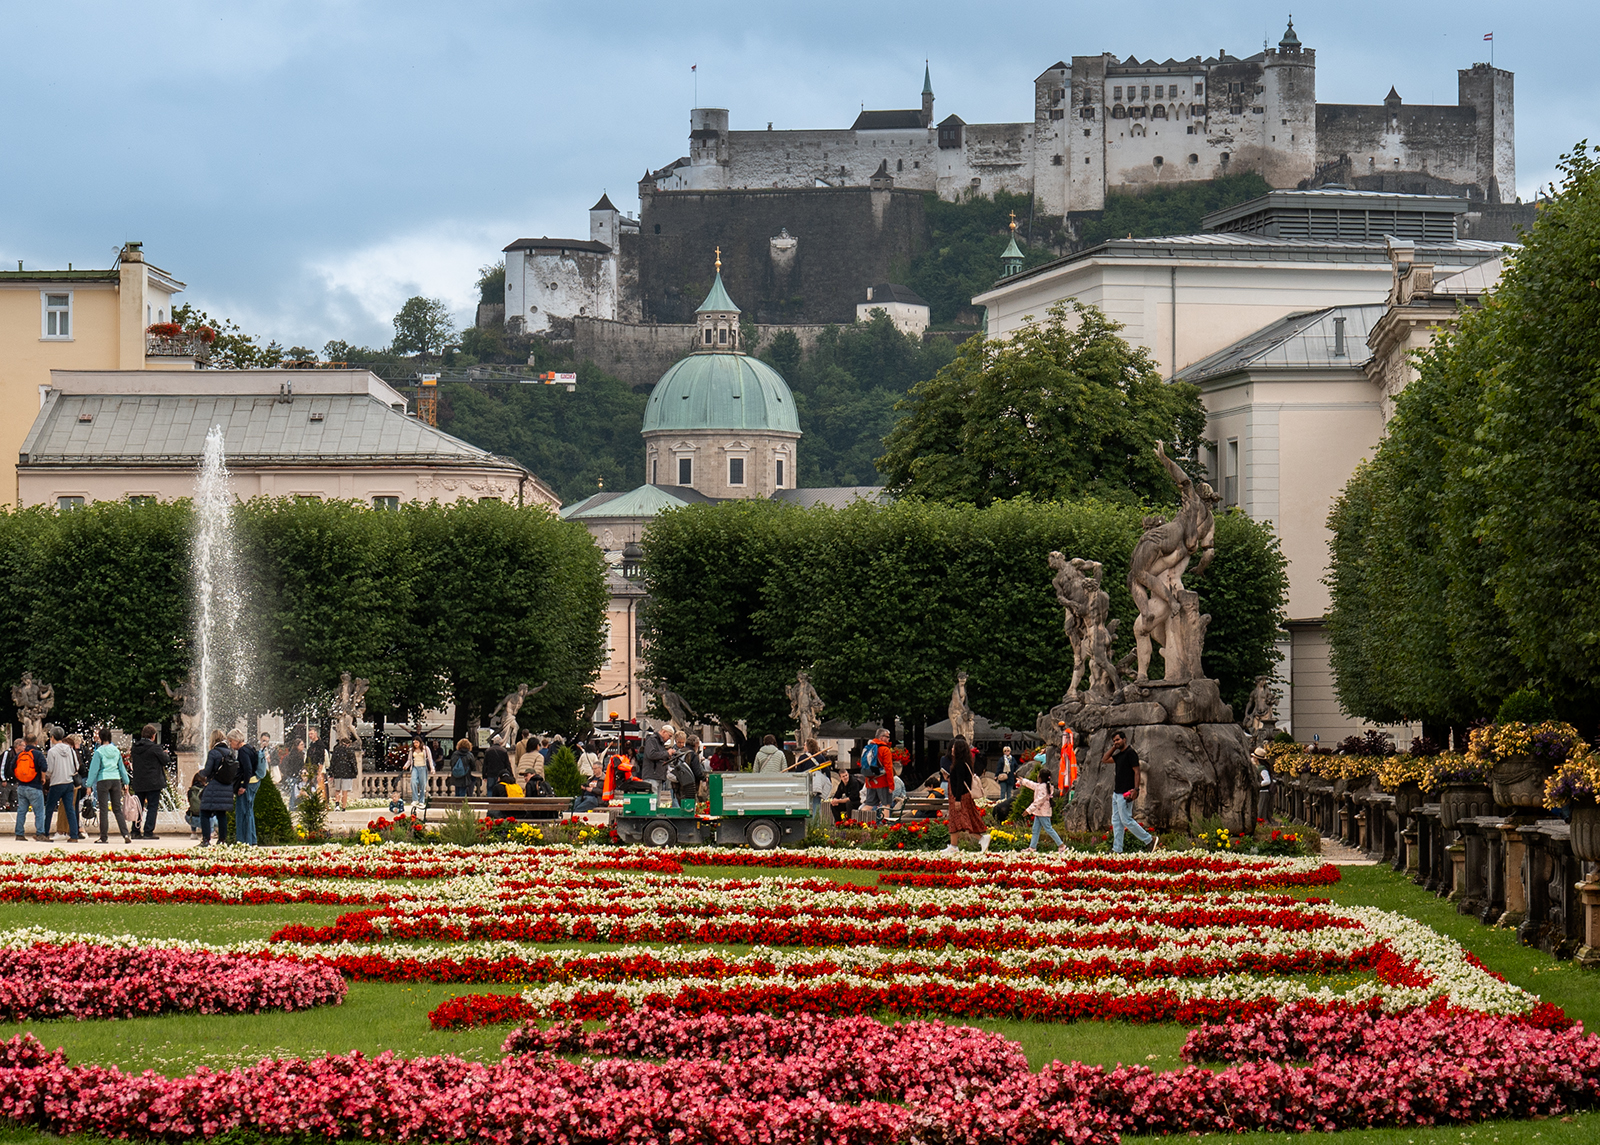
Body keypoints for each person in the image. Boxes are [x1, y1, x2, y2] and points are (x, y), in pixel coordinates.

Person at [1104, 731, 1159, 853]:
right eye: (1114, 741)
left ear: (1124, 739)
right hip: (1117, 792)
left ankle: (1149, 839)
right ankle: (1117, 849)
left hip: (1126, 793)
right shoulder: (1119, 755)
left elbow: (1137, 772)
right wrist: (1114, 747)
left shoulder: (1130, 753)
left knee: (1126, 820)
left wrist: (1136, 789)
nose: (1116, 742)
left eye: (1118, 740)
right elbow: (1105, 759)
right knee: (1116, 821)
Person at [943, 735, 992, 854]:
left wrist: (957, 799)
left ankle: (981, 838)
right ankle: (953, 845)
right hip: (961, 796)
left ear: (958, 750)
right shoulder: (965, 763)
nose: (952, 749)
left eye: (954, 747)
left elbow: (960, 783)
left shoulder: (959, 764)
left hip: (959, 796)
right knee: (957, 821)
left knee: (963, 821)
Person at [86, 727, 132, 845]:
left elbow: (94, 770)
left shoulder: (99, 752)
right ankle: (126, 834)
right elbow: (121, 768)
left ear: (101, 738)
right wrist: (126, 782)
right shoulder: (116, 750)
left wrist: (89, 785)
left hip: (103, 780)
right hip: (116, 780)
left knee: (103, 809)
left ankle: (104, 837)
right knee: (117, 809)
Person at [39, 726, 81, 844]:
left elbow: (50, 769)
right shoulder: (70, 750)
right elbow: (76, 766)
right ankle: (74, 835)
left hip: (56, 783)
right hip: (69, 783)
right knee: (70, 809)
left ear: (52, 737)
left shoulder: (52, 751)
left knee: (49, 809)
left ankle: (46, 833)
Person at [129, 724, 171, 840]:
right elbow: (165, 761)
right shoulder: (155, 748)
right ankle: (148, 831)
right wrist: (165, 753)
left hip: (139, 781)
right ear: (153, 736)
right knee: (152, 806)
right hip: (153, 782)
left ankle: (135, 831)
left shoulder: (135, 747)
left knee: (138, 807)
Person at [198, 730, 238, 846]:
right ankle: (222, 840)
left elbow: (207, 771)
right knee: (221, 814)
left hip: (214, 786)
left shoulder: (213, 753)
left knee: (204, 812)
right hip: (227, 787)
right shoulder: (231, 752)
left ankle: (206, 840)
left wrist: (200, 772)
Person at [1017, 766, 1065, 852]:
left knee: (1048, 829)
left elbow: (1039, 801)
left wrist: (1029, 810)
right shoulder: (1042, 786)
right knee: (1035, 829)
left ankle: (1061, 845)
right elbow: (1032, 784)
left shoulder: (1043, 788)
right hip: (1039, 812)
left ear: (1040, 778)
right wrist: (1023, 781)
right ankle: (1032, 847)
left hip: (1044, 813)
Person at [8, 736, 47, 841]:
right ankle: (40, 833)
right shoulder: (38, 754)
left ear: (25, 742)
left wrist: (20, 776)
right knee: (39, 812)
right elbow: (44, 767)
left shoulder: (20, 754)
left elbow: (12, 766)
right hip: (35, 786)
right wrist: (43, 778)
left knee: (21, 811)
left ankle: (19, 833)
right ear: (36, 742)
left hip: (21, 786)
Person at [858, 728, 895, 825]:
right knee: (886, 805)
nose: (889, 739)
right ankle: (885, 826)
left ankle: (859, 822)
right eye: (887, 737)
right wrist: (891, 785)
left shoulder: (868, 747)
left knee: (869, 805)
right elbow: (889, 769)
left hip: (870, 782)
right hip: (882, 782)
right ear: (882, 737)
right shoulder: (885, 749)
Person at [231, 731, 260, 846]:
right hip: (254, 782)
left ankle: (244, 840)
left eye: (231, 741)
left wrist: (243, 786)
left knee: (242, 813)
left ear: (236, 740)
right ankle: (252, 839)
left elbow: (247, 769)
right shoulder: (250, 748)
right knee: (249, 811)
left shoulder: (242, 751)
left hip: (247, 784)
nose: (231, 744)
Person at [639, 724, 674, 791]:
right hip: (652, 775)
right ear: (664, 732)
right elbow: (651, 754)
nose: (670, 738)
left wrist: (667, 757)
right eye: (669, 736)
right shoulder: (652, 740)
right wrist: (667, 753)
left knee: (656, 797)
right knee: (653, 797)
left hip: (657, 776)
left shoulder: (660, 743)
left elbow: (658, 755)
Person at [328, 734, 358, 810]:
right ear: (348, 744)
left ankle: (337, 805)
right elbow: (353, 762)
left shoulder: (336, 750)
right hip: (347, 773)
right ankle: (343, 807)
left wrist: (331, 772)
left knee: (337, 790)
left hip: (337, 773)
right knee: (345, 791)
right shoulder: (350, 750)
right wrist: (355, 771)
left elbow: (333, 761)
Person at [407, 736, 433, 813]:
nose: (415, 744)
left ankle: (421, 800)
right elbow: (409, 760)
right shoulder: (412, 750)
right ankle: (415, 799)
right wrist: (406, 766)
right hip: (415, 767)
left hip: (423, 767)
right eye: (414, 743)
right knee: (413, 782)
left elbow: (430, 759)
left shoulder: (425, 749)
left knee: (422, 784)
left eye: (417, 742)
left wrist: (432, 768)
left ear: (420, 742)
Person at [282, 737, 306, 814]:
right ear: (297, 746)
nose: (303, 746)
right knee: (293, 792)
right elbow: (295, 766)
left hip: (294, 776)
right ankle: (292, 808)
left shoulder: (299, 754)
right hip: (293, 776)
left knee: (295, 792)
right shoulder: (295, 756)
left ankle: (293, 807)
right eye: (301, 745)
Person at [303, 728, 328, 801]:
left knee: (318, 789)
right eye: (309, 734)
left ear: (316, 734)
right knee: (311, 789)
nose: (310, 736)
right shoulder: (311, 745)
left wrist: (319, 773)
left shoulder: (320, 745)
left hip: (317, 770)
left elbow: (321, 759)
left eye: (312, 734)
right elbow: (308, 759)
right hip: (311, 770)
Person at [185, 769, 207, 837]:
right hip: (203, 820)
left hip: (190, 819)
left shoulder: (190, 791)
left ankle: (193, 833)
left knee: (193, 809)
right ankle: (211, 832)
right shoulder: (206, 790)